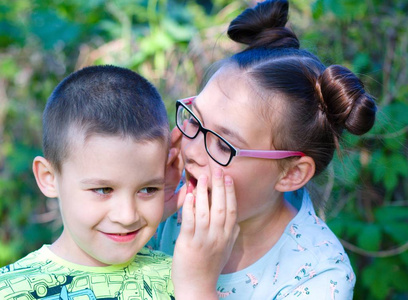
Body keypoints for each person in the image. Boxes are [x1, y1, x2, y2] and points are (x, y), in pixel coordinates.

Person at [157, 0, 377, 299]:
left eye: (224, 144)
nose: (192, 151)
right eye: (195, 119)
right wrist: (145, 207)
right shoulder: (167, 209)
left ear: (291, 173)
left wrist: (196, 288)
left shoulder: (320, 279)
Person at [0, 65, 178, 299]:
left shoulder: (182, 278)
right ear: (49, 178)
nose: (127, 216)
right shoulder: (12, 290)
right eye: (103, 189)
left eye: (147, 189)